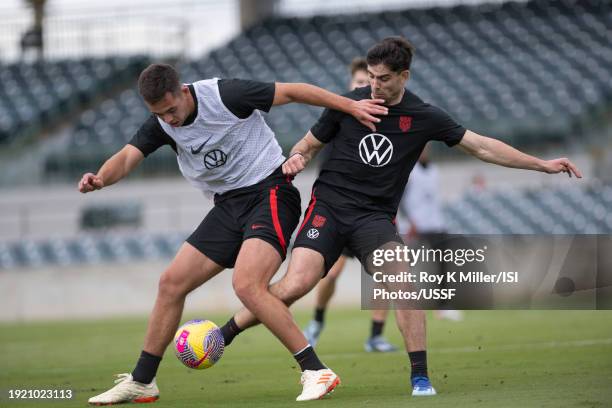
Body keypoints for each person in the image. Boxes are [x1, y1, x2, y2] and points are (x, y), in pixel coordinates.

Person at [217, 36, 582, 398]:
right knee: (297, 283)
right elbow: (308, 144)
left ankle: (420, 378)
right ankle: (223, 334)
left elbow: (482, 146)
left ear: (404, 76)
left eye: (383, 78)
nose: (374, 85)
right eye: (371, 77)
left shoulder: (424, 116)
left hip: (373, 219)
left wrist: (542, 165)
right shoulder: (348, 104)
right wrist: (298, 157)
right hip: (327, 208)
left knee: (404, 284)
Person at [81, 63, 388, 405]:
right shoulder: (162, 124)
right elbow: (127, 157)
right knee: (171, 283)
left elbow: (293, 90)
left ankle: (316, 370)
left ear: (183, 92)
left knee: (246, 285)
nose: (168, 119)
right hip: (227, 207)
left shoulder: (225, 95)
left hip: (269, 192)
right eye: (159, 114)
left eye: (171, 110)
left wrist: (350, 105)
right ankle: (142, 381)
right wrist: (101, 179)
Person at [303, 57, 398, 352]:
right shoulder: (338, 114)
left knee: (386, 274)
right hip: (336, 208)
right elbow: (311, 146)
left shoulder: (386, 121)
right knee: (330, 272)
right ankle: (317, 321)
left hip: (371, 212)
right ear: (350, 85)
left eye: (366, 82)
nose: (363, 88)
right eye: (358, 82)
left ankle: (376, 335)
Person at [398, 146, 463, 321]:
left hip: (436, 224)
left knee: (443, 266)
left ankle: (443, 306)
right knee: (404, 267)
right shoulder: (409, 171)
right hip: (414, 226)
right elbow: (401, 200)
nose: (425, 151)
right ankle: (405, 305)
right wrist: (410, 221)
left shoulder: (434, 170)